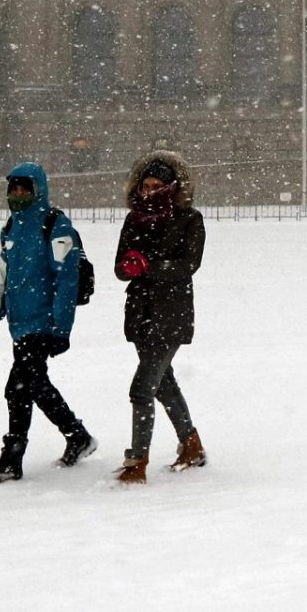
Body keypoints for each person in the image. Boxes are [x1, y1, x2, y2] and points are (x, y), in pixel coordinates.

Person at [0, 162, 95, 485]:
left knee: (18, 388)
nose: (18, 194)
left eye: (24, 189)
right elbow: (2, 279)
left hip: (43, 323)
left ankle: (13, 458)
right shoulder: (11, 228)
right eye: (13, 189)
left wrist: (61, 328)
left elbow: (67, 280)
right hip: (20, 324)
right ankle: (78, 436)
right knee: (33, 385)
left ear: (37, 191)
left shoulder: (54, 225)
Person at [114, 151, 206, 485]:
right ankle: (192, 445)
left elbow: (189, 264)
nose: (149, 192)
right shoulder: (133, 220)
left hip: (171, 316)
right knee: (163, 384)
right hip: (140, 316)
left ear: (171, 187)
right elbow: (119, 268)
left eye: (157, 186)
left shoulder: (189, 219)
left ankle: (137, 462)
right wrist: (128, 267)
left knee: (142, 389)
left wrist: (149, 267)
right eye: (145, 186)